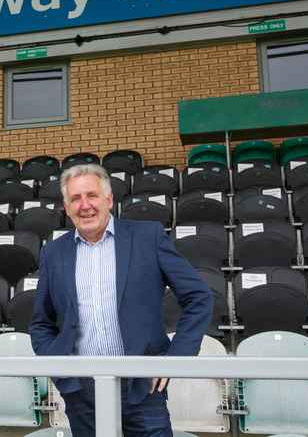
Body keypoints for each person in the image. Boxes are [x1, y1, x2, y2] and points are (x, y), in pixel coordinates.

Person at [30, 164, 213, 437]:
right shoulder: (54, 252)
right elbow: (41, 322)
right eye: (75, 199)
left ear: (109, 199)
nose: (85, 206)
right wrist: (60, 368)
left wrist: (175, 359)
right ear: (66, 207)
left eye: (91, 195)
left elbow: (199, 297)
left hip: (143, 385)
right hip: (81, 389)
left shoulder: (147, 237)